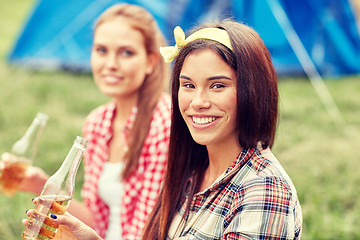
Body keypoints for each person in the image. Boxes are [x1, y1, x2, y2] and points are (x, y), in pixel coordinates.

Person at [24, 19, 303, 239]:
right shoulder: (192, 168)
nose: (198, 102)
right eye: (188, 85)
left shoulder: (262, 189)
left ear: (253, 90)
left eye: (218, 85)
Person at [19, 3, 171, 240]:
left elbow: (148, 233)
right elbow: (97, 221)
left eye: (126, 52)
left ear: (151, 61)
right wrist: (39, 183)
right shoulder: (98, 122)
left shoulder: (164, 123)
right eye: (101, 50)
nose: (110, 63)